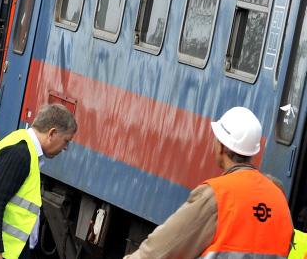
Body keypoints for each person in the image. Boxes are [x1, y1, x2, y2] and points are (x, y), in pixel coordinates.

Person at [125, 106, 293, 258]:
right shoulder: (279, 199)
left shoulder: (216, 196)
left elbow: (158, 250)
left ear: (220, 146)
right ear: (252, 152)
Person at [0, 103, 77, 259]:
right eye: (66, 141)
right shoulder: (21, 153)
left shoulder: (23, 145)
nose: (65, 148)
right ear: (52, 133)